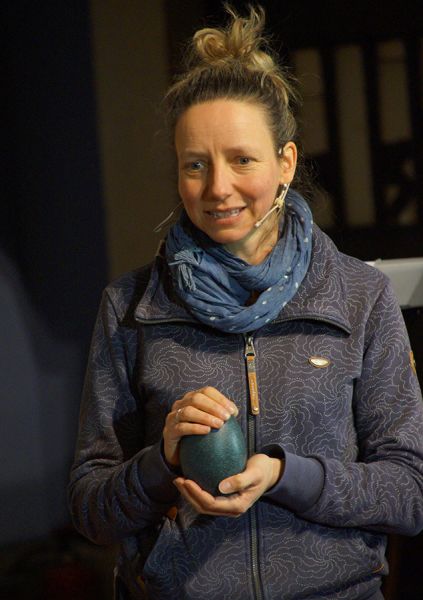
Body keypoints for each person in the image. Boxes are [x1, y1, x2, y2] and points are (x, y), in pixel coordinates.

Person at [68, 6, 423, 599]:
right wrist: (162, 461)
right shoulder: (131, 307)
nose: (217, 188)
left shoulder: (359, 296)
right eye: (195, 165)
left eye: (242, 159)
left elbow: (411, 492)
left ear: (285, 163)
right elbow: (90, 509)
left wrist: (286, 476)